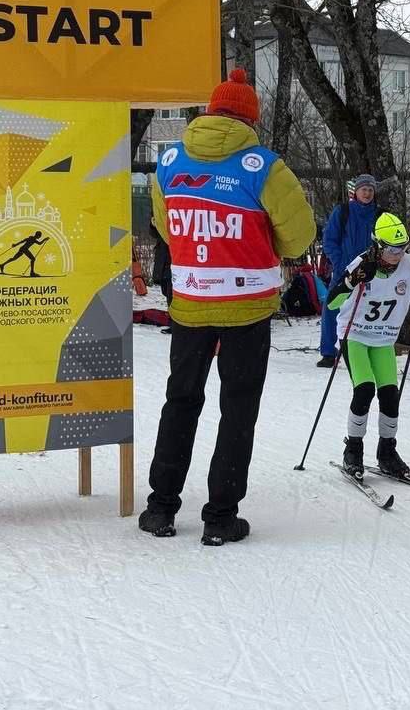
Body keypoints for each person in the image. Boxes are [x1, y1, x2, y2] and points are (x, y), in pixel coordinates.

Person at [139, 68, 315, 544]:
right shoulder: (265, 167)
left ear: (210, 112)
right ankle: (220, 516)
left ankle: (160, 507)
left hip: (191, 302)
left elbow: (165, 225)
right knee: (237, 409)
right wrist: (264, 243)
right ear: (250, 119)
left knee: (180, 401)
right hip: (248, 308)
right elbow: (300, 238)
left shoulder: (170, 162)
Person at [329, 213, 410, 481]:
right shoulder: (362, 263)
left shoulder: (406, 264)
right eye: (392, 249)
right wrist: (352, 280)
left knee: (390, 394)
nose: (397, 254)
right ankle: (353, 450)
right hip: (354, 335)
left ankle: (387, 452)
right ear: (378, 245)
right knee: (365, 388)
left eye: (403, 248)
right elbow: (332, 302)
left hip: (383, 338)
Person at [317, 173, 380, 368]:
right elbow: (329, 240)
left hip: (372, 272)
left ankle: (369, 348)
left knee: (368, 308)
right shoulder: (342, 212)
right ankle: (329, 352)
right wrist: (340, 262)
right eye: (364, 190)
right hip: (344, 270)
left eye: (370, 190)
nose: (367, 193)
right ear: (356, 192)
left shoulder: (380, 214)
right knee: (333, 306)